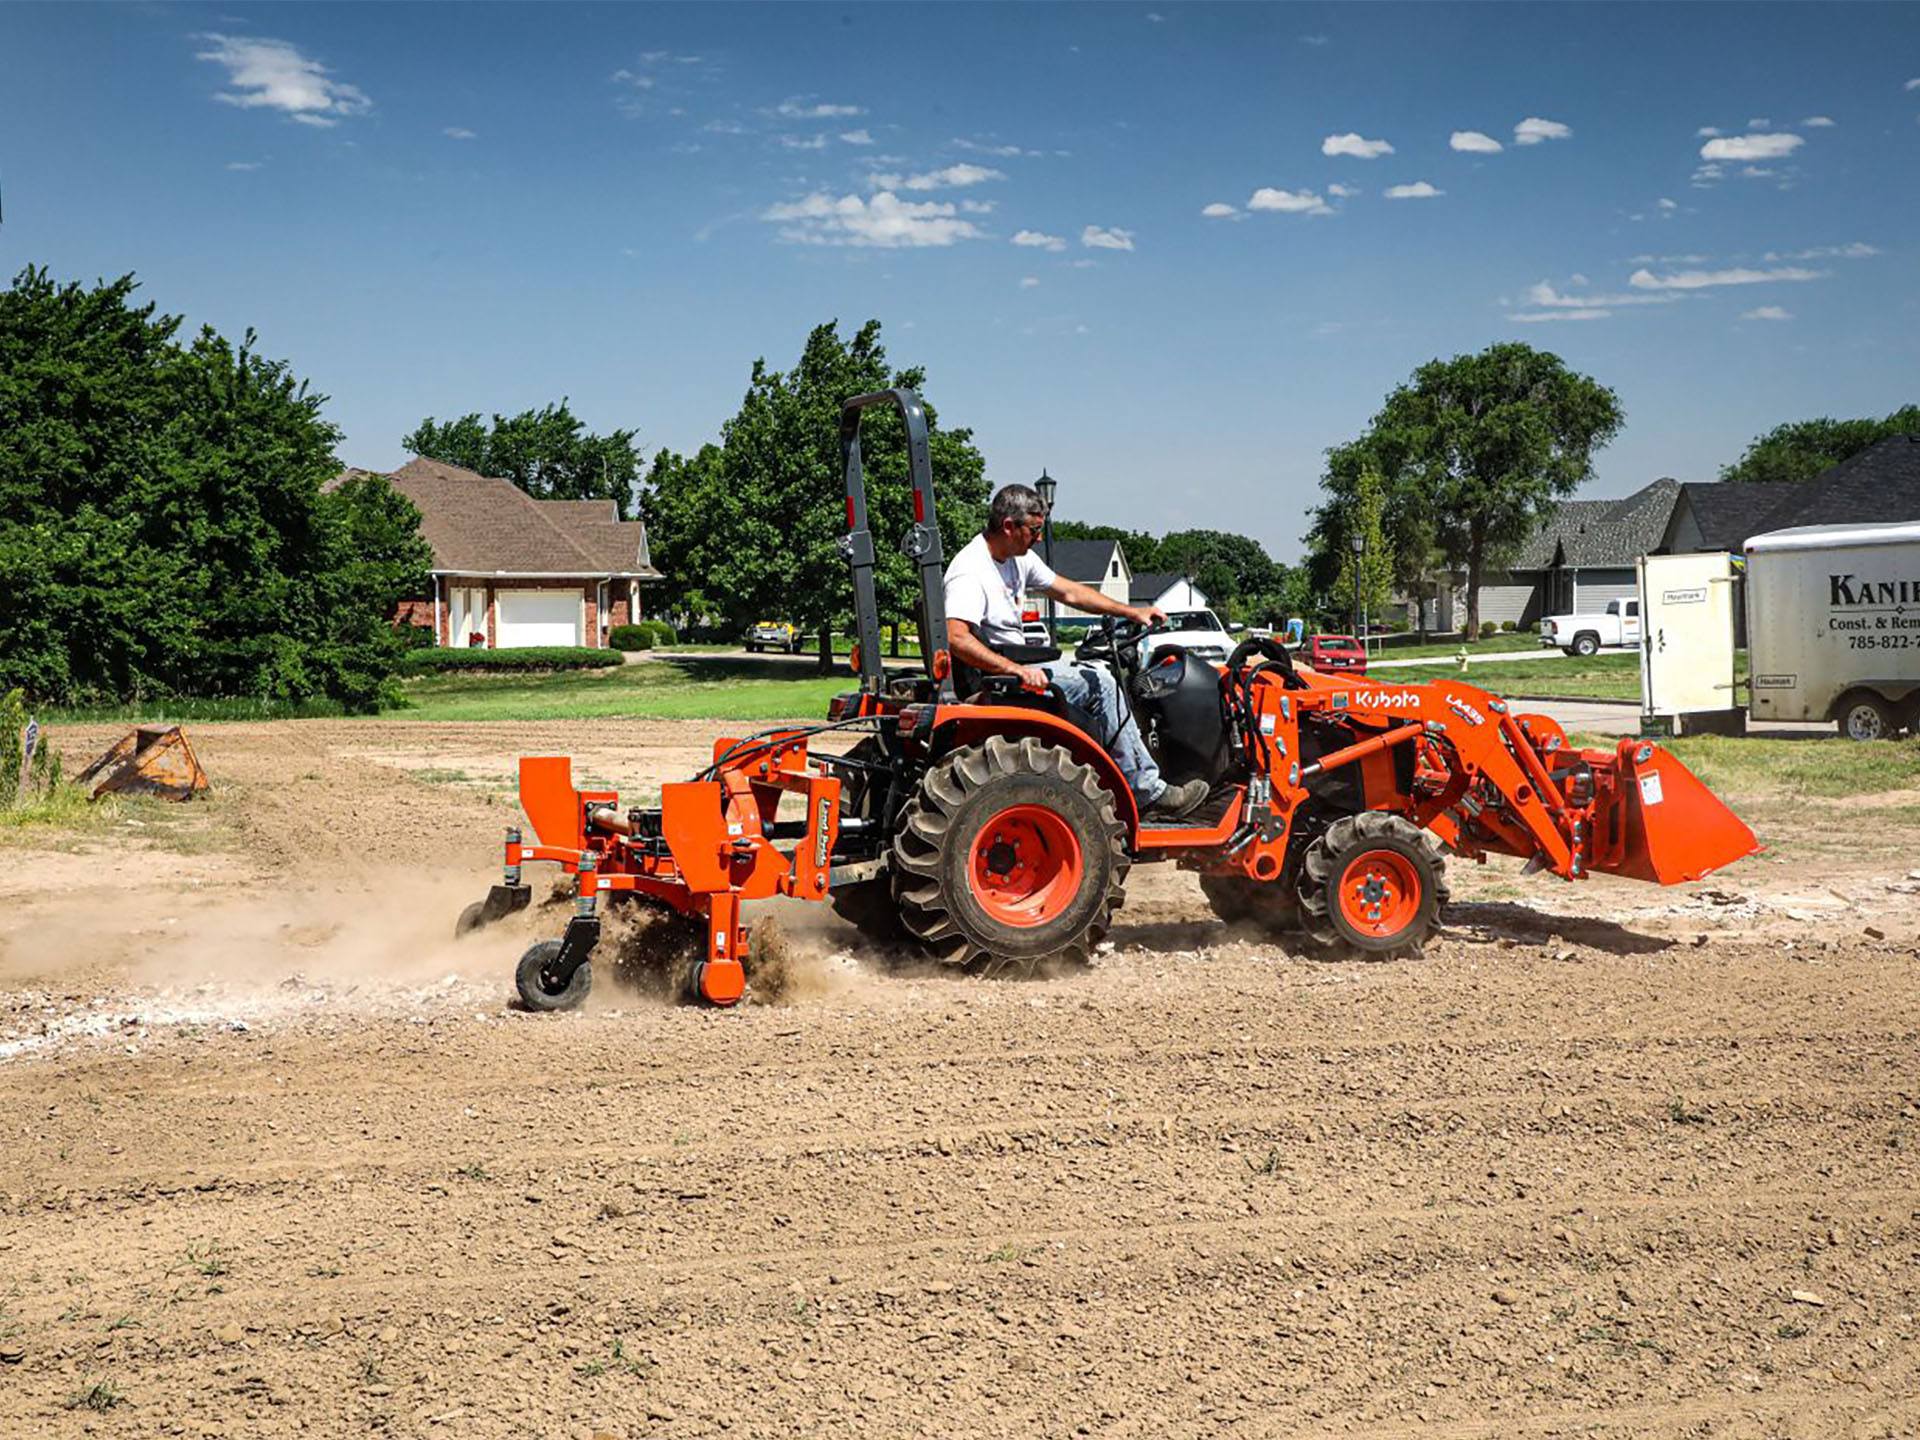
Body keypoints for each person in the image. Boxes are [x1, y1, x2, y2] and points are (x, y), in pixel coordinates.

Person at [943, 483, 1211, 821]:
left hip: (1020, 665)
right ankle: (1146, 792)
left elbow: (1069, 592)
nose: (1039, 538)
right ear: (1009, 526)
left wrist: (1130, 611)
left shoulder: (1016, 559)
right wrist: (1015, 670)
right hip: (1001, 678)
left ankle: (1112, 777)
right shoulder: (971, 570)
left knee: (1094, 668)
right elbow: (957, 638)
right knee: (1103, 684)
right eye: (1034, 529)